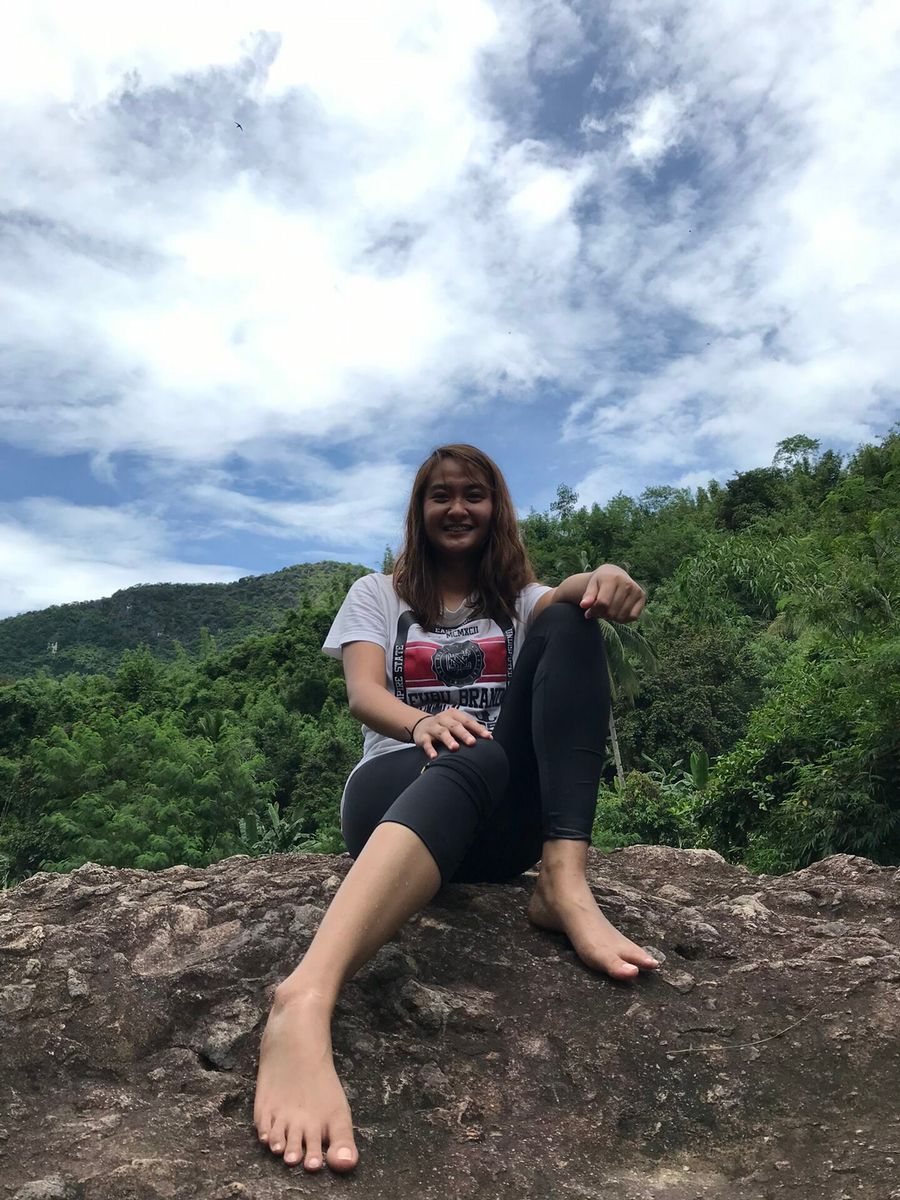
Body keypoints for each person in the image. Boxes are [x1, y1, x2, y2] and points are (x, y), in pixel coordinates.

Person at [253, 443, 658, 1174]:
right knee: (471, 749)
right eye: (441, 495)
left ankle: (562, 884)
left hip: (495, 825)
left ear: (496, 508)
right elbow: (363, 693)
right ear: (420, 510)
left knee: (574, 625)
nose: (458, 507)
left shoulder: (519, 602)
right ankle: (303, 1000)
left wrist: (603, 577)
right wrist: (422, 723)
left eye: (474, 494)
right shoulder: (377, 593)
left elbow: (566, 596)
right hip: (394, 792)